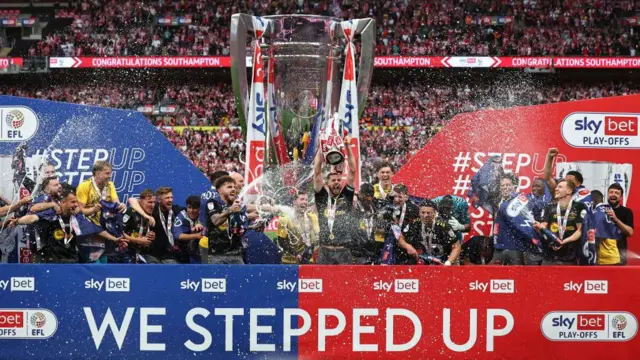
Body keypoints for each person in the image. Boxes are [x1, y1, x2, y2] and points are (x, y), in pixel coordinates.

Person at [13, 188, 123, 263]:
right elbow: (33, 218)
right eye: (73, 202)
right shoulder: (52, 214)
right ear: (64, 203)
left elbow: (96, 230)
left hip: (72, 261)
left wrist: (115, 239)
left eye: (76, 202)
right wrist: (17, 221)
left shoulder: (77, 218)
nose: (76, 205)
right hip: (52, 261)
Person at [313, 135, 357, 264]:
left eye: (339, 180)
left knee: (346, 284)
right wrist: (321, 149)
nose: (337, 182)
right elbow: (317, 172)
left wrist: (348, 146)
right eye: (333, 180)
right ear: (327, 183)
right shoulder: (321, 198)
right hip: (324, 252)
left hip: (343, 252)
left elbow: (353, 171)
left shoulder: (346, 196)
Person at [535, 180, 586, 265]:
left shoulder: (578, 207)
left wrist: (564, 241)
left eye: (560, 187)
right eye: (557, 187)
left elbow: (579, 231)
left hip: (569, 258)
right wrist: (538, 227)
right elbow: (544, 226)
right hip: (549, 257)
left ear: (569, 191)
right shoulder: (550, 207)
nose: (556, 189)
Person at [399, 201, 459, 265]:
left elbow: (456, 246)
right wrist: (407, 246)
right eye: (423, 212)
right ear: (419, 213)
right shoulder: (414, 224)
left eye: (428, 213)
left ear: (434, 213)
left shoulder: (443, 226)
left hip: (442, 259)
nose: (425, 216)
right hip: (421, 259)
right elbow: (401, 238)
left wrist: (449, 262)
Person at [204, 176, 247, 264]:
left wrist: (254, 226)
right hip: (217, 255)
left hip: (236, 255)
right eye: (229, 187)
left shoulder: (237, 205)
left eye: (234, 187)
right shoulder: (213, 203)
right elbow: (216, 221)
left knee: (240, 278)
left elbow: (240, 227)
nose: (233, 189)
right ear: (219, 190)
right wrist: (230, 210)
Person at [377, 184, 420, 264]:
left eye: (400, 197)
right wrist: (387, 222)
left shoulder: (414, 209)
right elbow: (379, 225)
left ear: (406, 197)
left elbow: (418, 225)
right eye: (395, 196)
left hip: (407, 244)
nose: (396, 199)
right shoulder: (387, 207)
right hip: (390, 243)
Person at [594, 183, 634, 265]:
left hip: (620, 255)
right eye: (611, 192)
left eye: (617, 193)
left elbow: (630, 232)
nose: (613, 195)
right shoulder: (599, 210)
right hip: (600, 256)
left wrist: (616, 220)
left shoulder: (626, 212)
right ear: (607, 194)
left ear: (621, 197)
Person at [76, 161, 126, 225]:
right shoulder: (84, 186)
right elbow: (79, 211)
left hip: (106, 220)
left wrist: (121, 206)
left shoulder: (110, 185)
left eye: (110, 173)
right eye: (107, 173)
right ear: (97, 173)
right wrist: (93, 210)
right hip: (89, 222)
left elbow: (116, 203)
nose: (110, 176)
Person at [276, 192, 319, 264]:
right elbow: (281, 241)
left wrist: (307, 253)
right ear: (294, 202)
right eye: (302, 199)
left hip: (308, 260)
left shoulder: (313, 217)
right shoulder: (284, 218)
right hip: (289, 261)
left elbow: (316, 238)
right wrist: (296, 254)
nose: (305, 202)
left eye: (306, 200)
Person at [351, 183, 384, 265]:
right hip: (357, 253)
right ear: (360, 194)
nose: (369, 198)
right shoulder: (354, 208)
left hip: (373, 252)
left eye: (371, 195)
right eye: (366, 195)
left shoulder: (375, 208)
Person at [122, 189, 155, 263]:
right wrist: (138, 241)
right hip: (126, 252)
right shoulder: (131, 212)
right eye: (149, 202)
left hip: (141, 253)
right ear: (140, 201)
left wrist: (151, 236)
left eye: (154, 202)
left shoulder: (150, 214)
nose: (152, 205)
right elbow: (119, 233)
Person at [172, 195, 204, 264]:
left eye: (194, 208)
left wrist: (202, 226)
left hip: (202, 254)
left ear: (200, 209)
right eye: (189, 207)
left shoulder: (204, 215)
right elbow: (177, 235)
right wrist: (196, 235)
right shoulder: (182, 215)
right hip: (183, 254)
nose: (191, 211)